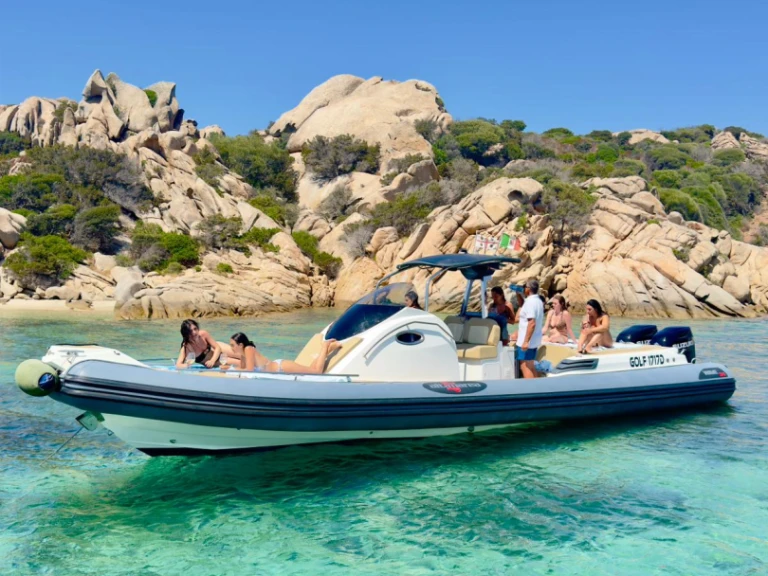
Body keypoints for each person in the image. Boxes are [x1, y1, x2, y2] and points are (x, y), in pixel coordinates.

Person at [226, 332, 342, 374]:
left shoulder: (248, 349)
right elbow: (243, 368)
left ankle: (325, 346)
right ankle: (329, 349)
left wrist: (230, 369)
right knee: (310, 369)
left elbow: (249, 371)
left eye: (232, 345)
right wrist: (226, 366)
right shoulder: (243, 354)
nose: (231, 348)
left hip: (281, 367)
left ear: (240, 345)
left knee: (316, 372)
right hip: (278, 366)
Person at [516, 279, 545, 379]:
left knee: (524, 366)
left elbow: (531, 323)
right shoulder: (538, 301)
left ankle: (529, 389)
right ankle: (536, 389)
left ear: (528, 289)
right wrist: (518, 294)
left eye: (524, 287)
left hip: (528, 341)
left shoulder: (530, 302)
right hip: (534, 340)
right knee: (530, 365)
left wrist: (526, 341)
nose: (523, 289)